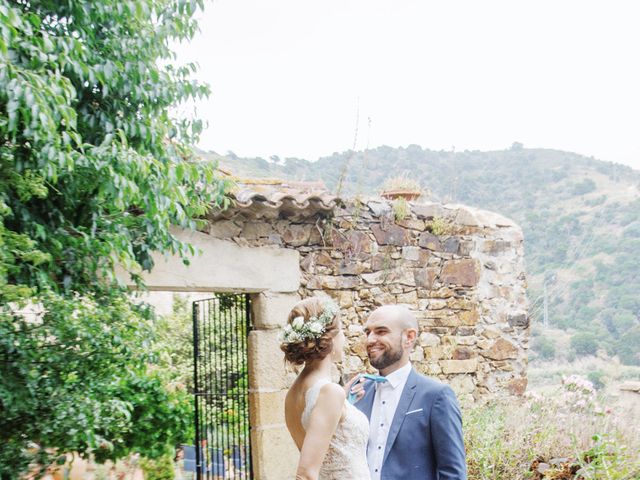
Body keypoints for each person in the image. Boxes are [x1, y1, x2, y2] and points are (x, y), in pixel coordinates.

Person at [350, 304, 467, 480]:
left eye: (381, 331)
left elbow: (453, 473)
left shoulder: (436, 396)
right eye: (368, 333)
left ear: (409, 337)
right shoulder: (358, 393)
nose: (370, 340)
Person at [280, 297, 371, 480]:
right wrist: (338, 396)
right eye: (342, 330)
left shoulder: (294, 392)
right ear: (330, 338)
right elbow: (305, 474)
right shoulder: (329, 392)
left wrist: (344, 402)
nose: (344, 338)